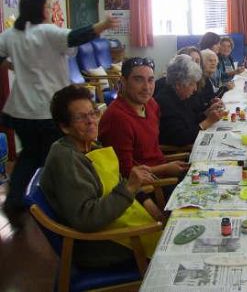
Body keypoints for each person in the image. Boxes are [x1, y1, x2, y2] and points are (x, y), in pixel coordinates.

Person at [0, 0, 119, 227]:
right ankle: (56, 204)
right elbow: (76, 36)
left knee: (30, 154)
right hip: (48, 108)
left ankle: (15, 199)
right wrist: (104, 24)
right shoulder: (47, 31)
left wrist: (14, 66)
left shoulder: (11, 35)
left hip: (21, 110)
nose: (49, 9)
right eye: (47, 6)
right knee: (59, 157)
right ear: (40, 10)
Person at [41, 85, 161, 268]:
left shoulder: (90, 145)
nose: (91, 121)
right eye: (81, 117)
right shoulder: (66, 159)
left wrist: (148, 204)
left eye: (93, 113)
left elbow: (116, 181)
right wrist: (129, 188)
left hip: (117, 224)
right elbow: (87, 218)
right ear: (64, 127)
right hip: (98, 244)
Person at [98, 57, 187, 179]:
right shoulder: (116, 118)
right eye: (138, 80)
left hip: (163, 170)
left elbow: (151, 149)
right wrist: (165, 169)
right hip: (151, 186)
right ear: (123, 81)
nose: (146, 87)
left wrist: (168, 165)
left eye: (150, 80)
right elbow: (126, 173)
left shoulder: (151, 104)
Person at [157, 55, 224, 146]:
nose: (195, 89)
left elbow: (191, 121)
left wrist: (207, 113)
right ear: (178, 85)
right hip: (180, 152)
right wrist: (207, 122)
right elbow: (181, 137)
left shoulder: (181, 95)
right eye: (192, 84)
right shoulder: (165, 102)